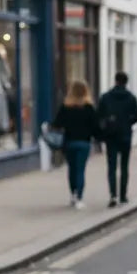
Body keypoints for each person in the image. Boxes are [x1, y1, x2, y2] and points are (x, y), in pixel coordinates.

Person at [52, 79, 99, 209]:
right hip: (84, 142)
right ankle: (79, 197)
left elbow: (57, 124)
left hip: (70, 142)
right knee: (80, 170)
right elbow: (95, 127)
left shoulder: (66, 107)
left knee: (72, 169)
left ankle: (73, 193)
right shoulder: (89, 108)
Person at [97, 71, 137, 208]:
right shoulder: (131, 98)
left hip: (111, 135)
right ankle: (123, 195)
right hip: (125, 135)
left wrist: (106, 126)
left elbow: (99, 115)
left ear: (115, 81)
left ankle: (113, 195)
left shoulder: (106, 97)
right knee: (124, 166)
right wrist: (127, 123)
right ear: (126, 82)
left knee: (111, 166)